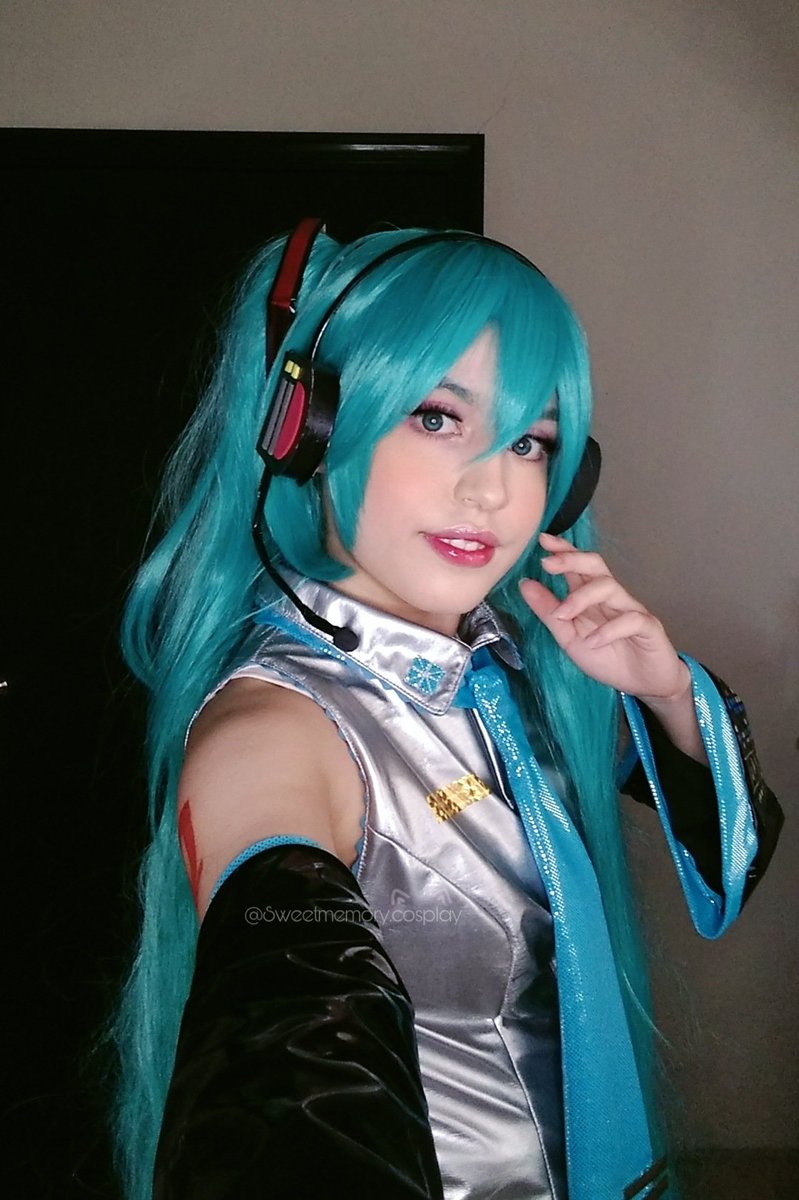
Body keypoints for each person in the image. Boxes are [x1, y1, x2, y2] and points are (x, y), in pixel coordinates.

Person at [114, 221, 782, 1200]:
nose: (491, 490)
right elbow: (289, 1052)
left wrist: (662, 691)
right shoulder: (279, 725)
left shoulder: (515, 672)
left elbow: (734, 841)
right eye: (434, 418)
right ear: (308, 431)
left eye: (529, 442)